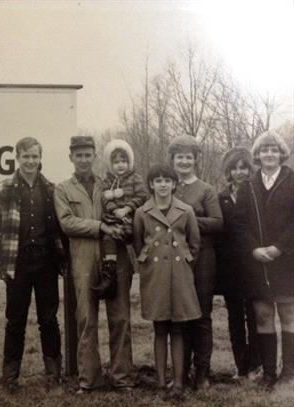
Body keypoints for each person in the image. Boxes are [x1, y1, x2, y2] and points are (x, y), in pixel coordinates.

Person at [0, 136, 67, 393]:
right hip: (16, 265)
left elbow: (58, 230)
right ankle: (10, 378)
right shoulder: (3, 188)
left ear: (40, 158)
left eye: (35, 156)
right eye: (26, 156)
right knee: (15, 321)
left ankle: (53, 376)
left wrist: (61, 260)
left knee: (49, 320)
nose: (30, 161)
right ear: (17, 158)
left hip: (45, 265)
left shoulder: (51, 189)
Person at [54, 135, 135, 393]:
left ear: (95, 156)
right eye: (79, 155)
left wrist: (124, 229)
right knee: (86, 319)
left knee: (120, 317)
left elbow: (128, 211)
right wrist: (100, 226)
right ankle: (89, 380)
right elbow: (67, 222)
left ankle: (121, 377)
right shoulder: (63, 189)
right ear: (71, 158)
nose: (84, 159)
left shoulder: (108, 184)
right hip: (84, 257)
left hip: (116, 254)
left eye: (88, 154)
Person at [232, 130, 294, 390]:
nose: (269, 154)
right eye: (264, 150)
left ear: (281, 154)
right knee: (263, 315)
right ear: (257, 155)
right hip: (257, 262)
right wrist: (254, 249)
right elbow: (238, 224)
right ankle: (269, 374)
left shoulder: (292, 181)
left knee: (288, 313)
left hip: (287, 260)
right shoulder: (248, 186)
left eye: (274, 150)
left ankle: (290, 371)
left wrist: (280, 247)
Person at [133, 163, 201, 399]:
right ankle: (161, 383)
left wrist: (182, 265)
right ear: (151, 184)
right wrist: (150, 265)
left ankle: (179, 383)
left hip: (180, 275)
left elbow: (194, 244)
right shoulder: (142, 212)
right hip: (155, 277)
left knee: (178, 329)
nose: (162, 185)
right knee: (159, 328)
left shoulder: (186, 210)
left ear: (174, 184)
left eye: (167, 181)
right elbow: (137, 242)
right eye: (158, 180)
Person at [166, 135, 223, 390]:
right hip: (176, 260)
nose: (184, 161)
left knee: (201, 314)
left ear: (196, 160)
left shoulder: (206, 189)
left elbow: (218, 222)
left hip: (203, 259)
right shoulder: (167, 186)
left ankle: (203, 373)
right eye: (180, 157)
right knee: (180, 315)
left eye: (189, 157)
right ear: (173, 160)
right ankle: (181, 372)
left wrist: (187, 220)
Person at [214, 147, 261, 380]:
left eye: (244, 167)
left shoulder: (256, 193)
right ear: (228, 171)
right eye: (235, 168)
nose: (240, 172)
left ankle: (255, 365)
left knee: (254, 315)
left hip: (253, 263)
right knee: (234, 317)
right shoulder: (220, 197)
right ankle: (240, 366)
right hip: (229, 266)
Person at [92, 139, 146, 299]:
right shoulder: (107, 180)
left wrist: (127, 209)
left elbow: (142, 196)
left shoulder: (135, 178)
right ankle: (109, 271)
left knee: (129, 234)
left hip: (130, 217)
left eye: (124, 161)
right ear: (110, 164)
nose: (120, 165)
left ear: (129, 162)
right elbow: (105, 199)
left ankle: (139, 266)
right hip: (113, 216)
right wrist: (115, 210)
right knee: (108, 237)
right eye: (116, 162)